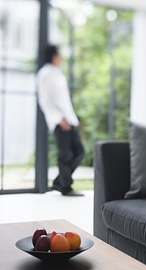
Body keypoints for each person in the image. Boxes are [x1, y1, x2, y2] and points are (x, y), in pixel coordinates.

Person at [37, 44, 84, 196]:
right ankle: (65, 187)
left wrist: (72, 118)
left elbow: (64, 100)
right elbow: (45, 101)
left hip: (69, 120)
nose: (61, 57)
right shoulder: (45, 74)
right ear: (53, 55)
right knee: (66, 155)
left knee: (79, 152)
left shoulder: (58, 73)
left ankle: (60, 182)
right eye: (59, 54)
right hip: (59, 121)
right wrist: (58, 119)